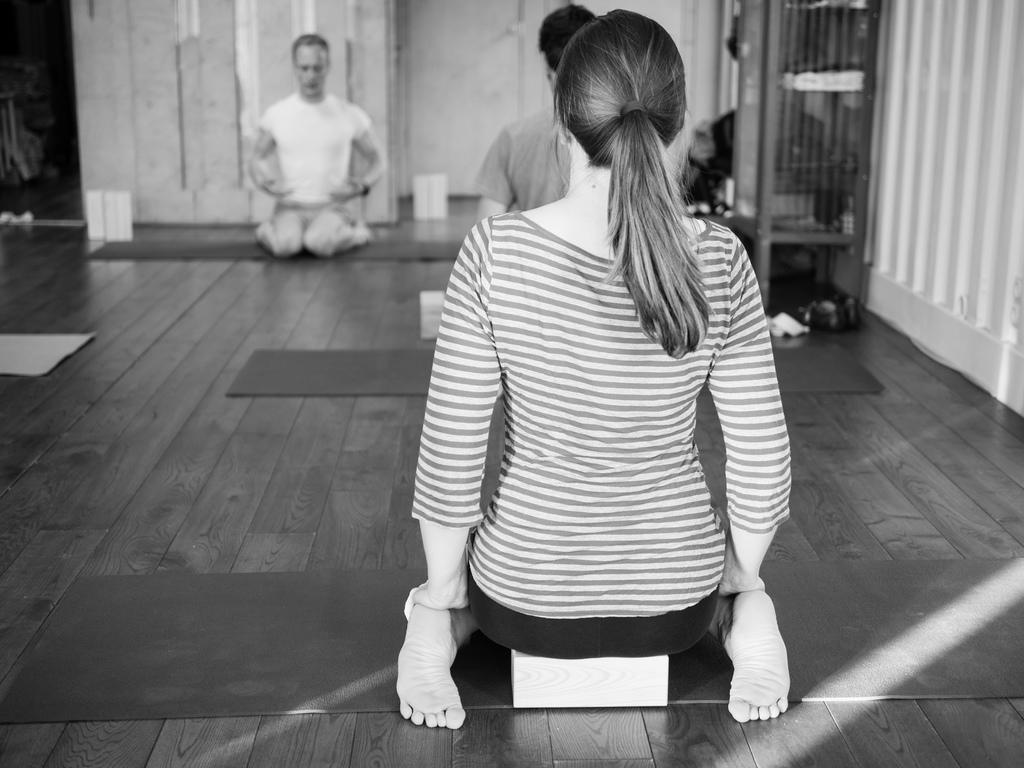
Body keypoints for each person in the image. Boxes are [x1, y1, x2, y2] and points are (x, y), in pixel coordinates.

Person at [397, 10, 792, 730]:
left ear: (562, 119)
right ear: (680, 123)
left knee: (454, 597)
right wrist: (741, 573)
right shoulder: (721, 257)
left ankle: (434, 626)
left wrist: (444, 583)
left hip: (528, 599)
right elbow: (761, 453)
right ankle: (748, 615)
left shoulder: (496, 252)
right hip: (676, 606)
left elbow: (450, 451)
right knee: (736, 591)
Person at [250, 34, 385, 259]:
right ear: (295, 68)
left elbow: (378, 159)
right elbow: (256, 157)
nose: (310, 76)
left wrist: (362, 186)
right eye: (304, 68)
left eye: (317, 68)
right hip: (290, 206)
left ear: (327, 67)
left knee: (318, 243)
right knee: (286, 247)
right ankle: (266, 230)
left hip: (333, 206)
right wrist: (265, 181)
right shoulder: (277, 114)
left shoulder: (349, 113)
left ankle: (358, 232)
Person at [475, 4, 595, 219]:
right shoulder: (629, 134)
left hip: (533, 253)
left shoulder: (513, 137)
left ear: (545, 64)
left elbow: (484, 231)